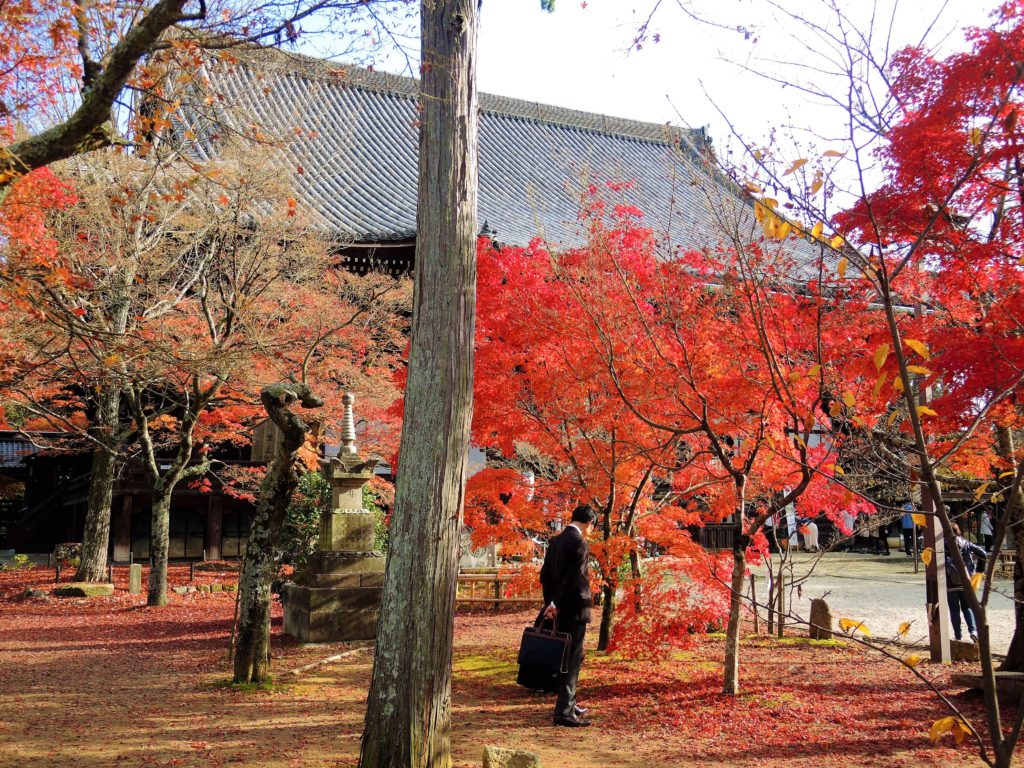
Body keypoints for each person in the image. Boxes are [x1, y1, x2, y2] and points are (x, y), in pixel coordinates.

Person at [540, 504, 597, 727]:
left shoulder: (556, 541)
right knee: (572, 660)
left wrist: (550, 603)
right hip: (573, 608)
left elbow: (545, 575)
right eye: (592, 526)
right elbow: (575, 578)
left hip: (558, 607)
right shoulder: (579, 542)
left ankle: (569, 703)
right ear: (588, 523)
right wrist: (556, 603)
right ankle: (564, 712)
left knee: (566, 658)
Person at [945, 523, 988, 644]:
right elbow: (983, 554)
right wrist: (979, 571)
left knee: (954, 610)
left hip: (950, 582)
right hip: (966, 580)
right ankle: (973, 631)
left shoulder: (943, 544)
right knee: (967, 608)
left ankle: (958, 636)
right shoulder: (965, 543)